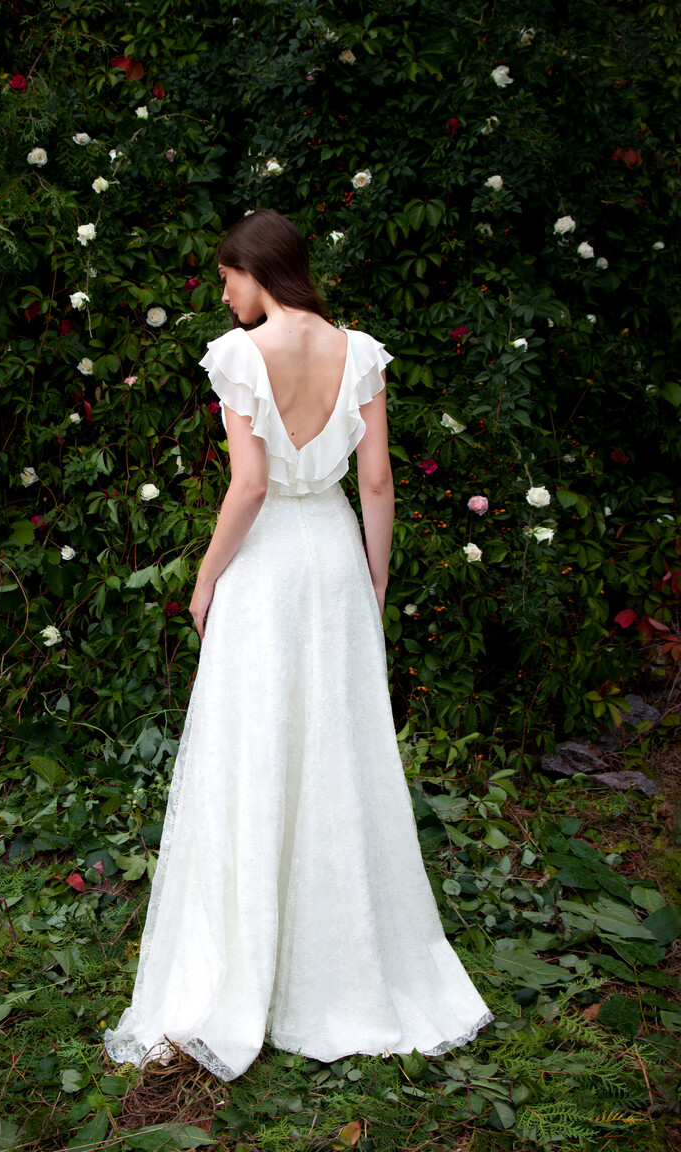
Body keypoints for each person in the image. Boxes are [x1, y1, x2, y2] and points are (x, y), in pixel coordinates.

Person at [103, 209, 493, 1082]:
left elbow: (248, 485)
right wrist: (376, 578)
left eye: (226, 277)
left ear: (258, 271)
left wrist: (205, 580)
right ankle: (347, 964)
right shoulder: (360, 351)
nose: (223, 292)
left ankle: (252, 962)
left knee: (255, 749)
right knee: (337, 755)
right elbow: (380, 479)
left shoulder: (239, 355)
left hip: (269, 565)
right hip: (335, 561)